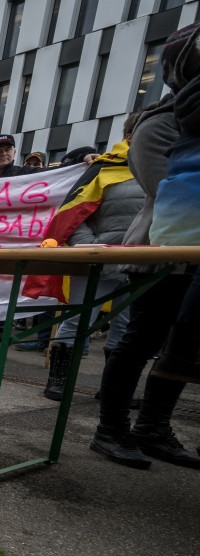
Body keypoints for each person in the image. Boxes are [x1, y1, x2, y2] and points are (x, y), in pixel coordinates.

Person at [91, 22, 200, 469]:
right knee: (140, 340)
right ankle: (110, 430)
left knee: (182, 346)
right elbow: (168, 189)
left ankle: (153, 427)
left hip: (188, 259)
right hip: (161, 250)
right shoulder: (161, 124)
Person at [36, 117, 144, 401]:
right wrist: (90, 245)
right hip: (96, 260)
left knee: (126, 326)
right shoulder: (102, 168)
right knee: (79, 320)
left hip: (141, 263)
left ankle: (115, 389)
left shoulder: (160, 170)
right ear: (132, 135)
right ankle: (58, 380)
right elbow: (71, 211)